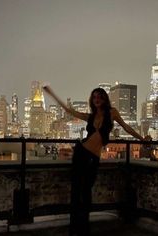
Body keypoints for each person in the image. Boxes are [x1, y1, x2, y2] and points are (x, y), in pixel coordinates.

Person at [43, 85, 147, 236]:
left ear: (104, 98)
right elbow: (68, 110)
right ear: (92, 100)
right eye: (94, 97)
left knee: (86, 191)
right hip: (81, 152)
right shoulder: (90, 116)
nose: (97, 99)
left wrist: (142, 139)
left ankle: (84, 227)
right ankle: (75, 228)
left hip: (93, 157)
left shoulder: (112, 113)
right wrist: (52, 94)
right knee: (76, 190)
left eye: (99, 96)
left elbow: (127, 128)